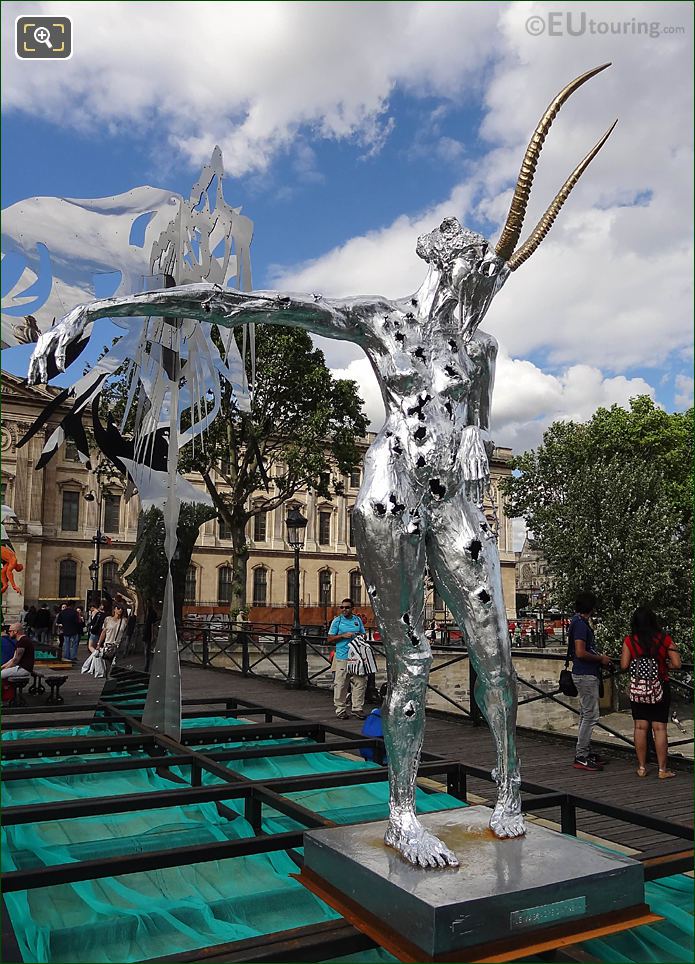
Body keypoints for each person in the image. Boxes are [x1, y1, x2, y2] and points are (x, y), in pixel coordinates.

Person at [28, 66, 614, 867]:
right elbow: (246, 304)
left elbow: (471, 420)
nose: (485, 294)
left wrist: (476, 434)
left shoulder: (478, 345)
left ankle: (510, 787)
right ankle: (403, 812)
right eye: (482, 277)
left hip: (455, 498)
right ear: (453, 268)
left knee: (494, 648)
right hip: (391, 486)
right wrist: (98, 310)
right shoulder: (384, 319)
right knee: (409, 655)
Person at [621, 606, 681, 780]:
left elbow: (624, 665)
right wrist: (663, 666)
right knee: (660, 728)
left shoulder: (630, 640)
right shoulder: (665, 639)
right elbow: (676, 663)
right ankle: (662, 770)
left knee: (640, 727)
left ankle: (641, 767)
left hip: (639, 689)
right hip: (660, 687)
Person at [569, 591, 612, 771]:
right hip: (586, 674)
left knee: (585, 714)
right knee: (591, 716)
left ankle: (584, 751)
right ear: (591, 608)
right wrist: (600, 659)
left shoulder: (576, 621)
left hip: (583, 673)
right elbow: (580, 652)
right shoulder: (580, 624)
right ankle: (581, 755)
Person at [328, 598, 368, 720]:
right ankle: (340, 709)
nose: (344, 609)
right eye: (342, 607)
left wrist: (361, 636)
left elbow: (363, 634)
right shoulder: (337, 621)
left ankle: (357, 708)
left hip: (357, 657)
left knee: (360, 682)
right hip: (342, 656)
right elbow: (329, 638)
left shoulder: (357, 620)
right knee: (341, 684)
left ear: (352, 608)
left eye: (347, 607)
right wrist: (343, 636)